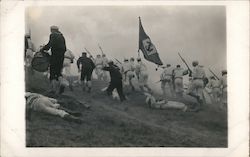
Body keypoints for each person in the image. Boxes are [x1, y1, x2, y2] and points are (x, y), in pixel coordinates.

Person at [41, 25, 67, 95]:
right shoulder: (62, 36)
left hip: (55, 56)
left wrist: (43, 49)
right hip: (61, 57)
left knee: (52, 73)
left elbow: (50, 44)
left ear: (52, 30)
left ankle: (53, 89)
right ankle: (62, 83)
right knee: (58, 72)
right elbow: (65, 48)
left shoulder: (53, 35)